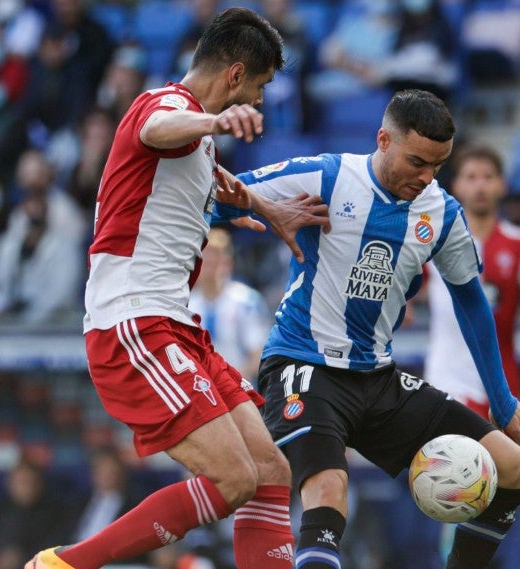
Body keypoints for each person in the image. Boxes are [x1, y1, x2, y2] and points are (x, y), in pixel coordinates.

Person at [26, 7, 329, 569]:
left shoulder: (197, 140)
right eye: (259, 87)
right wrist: (216, 123)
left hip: (176, 325)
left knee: (269, 471)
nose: (259, 101)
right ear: (235, 76)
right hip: (133, 322)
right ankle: (65, 564)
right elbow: (155, 129)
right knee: (233, 477)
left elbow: (219, 185)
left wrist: (268, 209)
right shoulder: (166, 107)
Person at [235, 90, 520, 569]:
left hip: (377, 378)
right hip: (304, 365)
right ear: (383, 139)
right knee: (331, 489)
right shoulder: (327, 176)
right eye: (417, 161)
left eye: (437, 166)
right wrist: (264, 210)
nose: (425, 177)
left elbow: (472, 302)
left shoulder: (442, 212)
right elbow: (223, 192)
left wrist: (502, 401)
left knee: (515, 466)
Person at [425, 146, 520, 418]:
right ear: (456, 185)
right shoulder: (435, 238)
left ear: (502, 185)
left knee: (511, 462)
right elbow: (402, 282)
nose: (480, 185)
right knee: (452, 459)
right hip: (447, 382)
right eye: (471, 177)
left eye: (488, 177)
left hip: (502, 386)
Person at [188, 227, 271, 382]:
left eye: (215, 259)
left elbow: (258, 353)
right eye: (205, 261)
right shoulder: (188, 304)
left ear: (228, 263)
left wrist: (231, 383)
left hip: (239, 387)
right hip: (201, 389)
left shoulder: (246, 301)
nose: (209, 267)